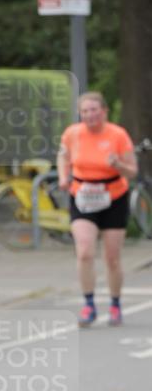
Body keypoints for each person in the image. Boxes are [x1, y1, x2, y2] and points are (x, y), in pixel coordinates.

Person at [57, 91, 137, 327]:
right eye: (85, 111)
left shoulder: (118, 135)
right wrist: (64, 177)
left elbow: (132, 171)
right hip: (82, 196)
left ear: (104, 112)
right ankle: (89, 304)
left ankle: (114, 303)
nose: (90, 115)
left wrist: (118, 164)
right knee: (84, 252)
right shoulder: (72, 134)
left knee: (112, 257)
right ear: (80, 114)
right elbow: (63, 156)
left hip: (114, 196)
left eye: (94, 110)